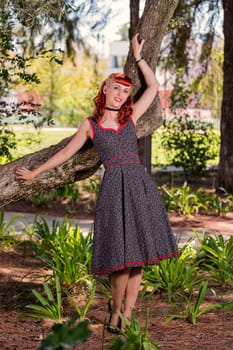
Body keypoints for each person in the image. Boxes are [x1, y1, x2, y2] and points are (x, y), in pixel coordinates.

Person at [15, 33, 179, 333]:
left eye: (125, 91)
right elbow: (65, 153)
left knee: (138, 255)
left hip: (139, 186)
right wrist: (34, 173)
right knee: (121, 257)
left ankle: (128, 314)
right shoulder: (90, 125)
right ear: (105, 89)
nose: (120, 94)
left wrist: (138, 56)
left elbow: (153, 87)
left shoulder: (131, 118)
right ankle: (115, 312)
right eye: (116, 88)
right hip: (114, 188)